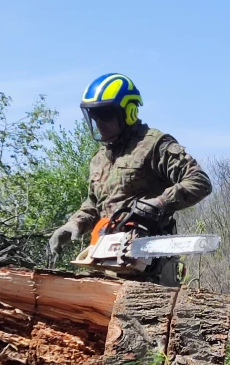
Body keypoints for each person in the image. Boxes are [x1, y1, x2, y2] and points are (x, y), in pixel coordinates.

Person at [48, 73, 212, 285]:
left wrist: (158, 203)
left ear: (128, 112)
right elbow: (94, 204)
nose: (98, 122)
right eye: (94, 115)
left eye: (105, 114)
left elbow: (199, 181)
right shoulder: (99, 158)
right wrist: (74, 224)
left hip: (151, 271)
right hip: (106, 266)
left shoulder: (154, 145)